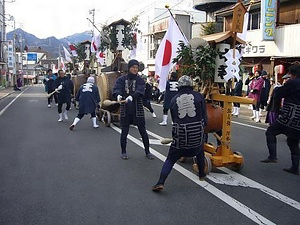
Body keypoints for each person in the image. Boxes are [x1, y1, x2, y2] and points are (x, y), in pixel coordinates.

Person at [152, 75, 207, 192]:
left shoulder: (174, 100)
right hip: (197, 137)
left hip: (181, 139)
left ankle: (160, 182)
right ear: (191, 85)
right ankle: (202, 175)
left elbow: (175, 121)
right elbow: (204, 120)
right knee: (200, 152)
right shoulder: (199, 97)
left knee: (170, 159)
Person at [261, 65, 300, 175]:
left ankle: (273, 156)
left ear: (293, 74)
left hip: (290, 115)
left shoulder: (293, 83)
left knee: (271, 132)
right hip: (298, 119)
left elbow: (278, 94)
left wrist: (278, 87)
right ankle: (295, 167)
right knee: (293, 141)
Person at [113, 59, 154, 160]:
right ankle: (123, 152)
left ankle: (147, 151)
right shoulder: (121, 79)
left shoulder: (140, 80)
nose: (135, 69)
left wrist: (132, 97)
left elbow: (140, 91)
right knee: (124, 131)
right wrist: (118, 95)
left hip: (137, 107)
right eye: (133, 67)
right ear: (129, 68)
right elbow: (117, 88)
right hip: (125, 107)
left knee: (143, 131)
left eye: (136, 68)